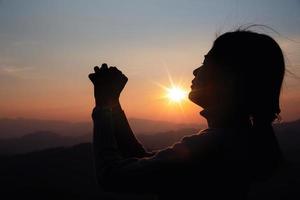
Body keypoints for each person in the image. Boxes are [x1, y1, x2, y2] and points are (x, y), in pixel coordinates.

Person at [88, 30, 284, 200]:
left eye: (205, 63)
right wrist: (113, 103)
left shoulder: (211, 145)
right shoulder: (240, 137)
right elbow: (142, 159)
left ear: (228, 79)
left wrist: (103, 104)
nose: (195, 70)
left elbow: (111, 176)